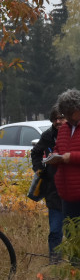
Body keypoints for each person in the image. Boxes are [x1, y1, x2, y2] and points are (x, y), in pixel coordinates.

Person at [32, 105, 65, 259]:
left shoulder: (75, 134)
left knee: (74, 230)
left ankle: (74, 265)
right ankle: (55, 262)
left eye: (61, 118)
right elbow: (36, 152)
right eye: (55, 119)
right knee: (55, 230)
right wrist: (40, 170)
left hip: (73, 188)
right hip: (53, 189)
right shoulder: (48, 135)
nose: (58, 121)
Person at [46, 89, 80, 223]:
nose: (68, 116)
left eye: (70, 113)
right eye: (65, 113)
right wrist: (54, 156)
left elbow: (68, 155)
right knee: (70, 235)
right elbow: (58, 148)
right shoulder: (64, 128)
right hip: (66, 193)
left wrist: (70, 157)